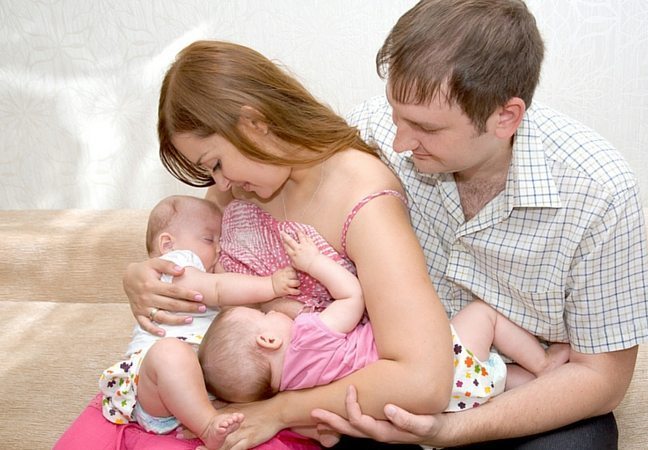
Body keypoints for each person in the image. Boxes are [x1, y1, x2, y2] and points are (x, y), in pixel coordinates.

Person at [56, 39, 454, 450]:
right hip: (193, 396)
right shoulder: (236, 190)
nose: (220, 183)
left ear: (254, 123)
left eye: (215, 163)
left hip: (278, 417)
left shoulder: (363, 199)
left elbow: (423, 381)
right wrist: (142, 274)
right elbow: (194, 267)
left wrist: (278, 411)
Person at [309, 1, 648, 449]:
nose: (398, 141)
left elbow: (601, 378)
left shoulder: (599, 191)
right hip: (392, 372)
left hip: (514, 393)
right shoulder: (371, 134)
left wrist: (449, 429)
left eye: (425, 128)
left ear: (505, 117)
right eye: (396, 114)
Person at [199, 230, 569, 413]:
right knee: (483, 315)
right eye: (263, 317)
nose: (273, 313)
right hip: (442, 368)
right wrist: (312, 263)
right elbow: (352, 296)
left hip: (445, 407)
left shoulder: (295, 391)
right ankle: (544, 363)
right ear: (268, 342)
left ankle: (534, 382)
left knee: (498, 381)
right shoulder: (309, 336)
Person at [98, 194, 301, 449]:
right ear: (167, 243)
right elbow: (217, 289)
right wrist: (269, 285)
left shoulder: (206, 268)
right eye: (209, 239)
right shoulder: (172, 266)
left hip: (199, 387)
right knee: (169, 353)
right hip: (155, 387)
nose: (218, 249)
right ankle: (207, 426)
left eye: (220, 241)